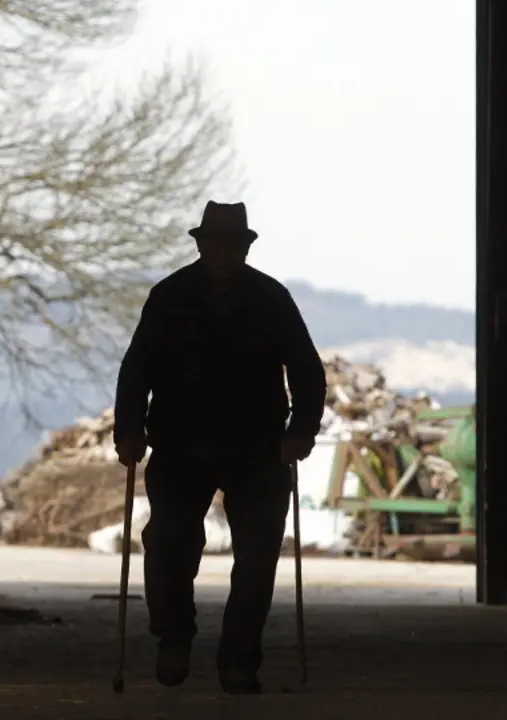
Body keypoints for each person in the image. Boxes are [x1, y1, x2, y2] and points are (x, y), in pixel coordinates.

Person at [112, 200, 326, 694]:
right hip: (180, 445)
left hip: (258, 448)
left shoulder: (271, 298)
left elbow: (306, 368)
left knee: (257, 556)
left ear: (246, 248)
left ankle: (239, 660)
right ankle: (173, 637)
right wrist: (129, 429)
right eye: (216, 244)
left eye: (233, 245)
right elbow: (137, 367)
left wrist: (301, 431)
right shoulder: (169, 296)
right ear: (201, 245)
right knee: (167, 543)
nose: (224, 254)